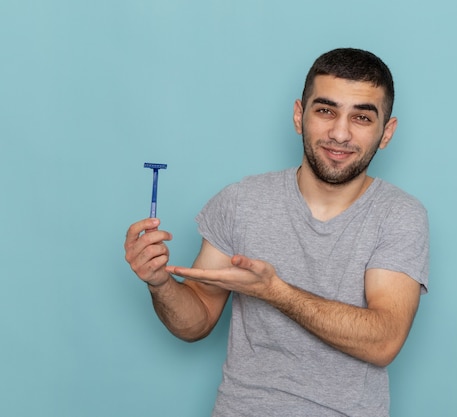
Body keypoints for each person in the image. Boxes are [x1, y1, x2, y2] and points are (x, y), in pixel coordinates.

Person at [124, 47, 429, 417]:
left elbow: (384, 340)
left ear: (386, 132)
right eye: (325, 110)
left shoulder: (399, 214)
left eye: (362, 117)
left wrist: (275, 292)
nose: (340, 132)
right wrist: (159, 284)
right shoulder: (241, 201)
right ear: (299, 115)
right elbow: (197, 320)